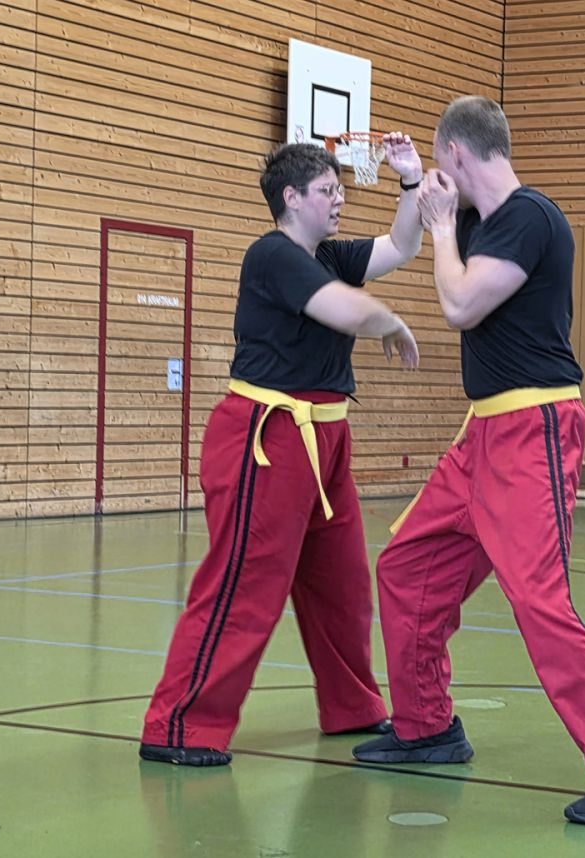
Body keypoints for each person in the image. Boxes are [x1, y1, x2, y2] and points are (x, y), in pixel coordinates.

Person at [352, 98, 585, 826]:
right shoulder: (477, 219)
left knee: (540, 602)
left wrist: (445, 227)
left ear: (459, 154)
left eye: (440, 161)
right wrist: (408, 179)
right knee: (407, 568)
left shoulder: (531, 217)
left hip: (533, 428)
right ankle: (426, 727)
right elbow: (415, 237)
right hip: (482, 432)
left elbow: (460, 305)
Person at [140, 134, 424, 766]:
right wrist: (391, 320)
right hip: (267, 436)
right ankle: (178, 726)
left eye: (340, 190)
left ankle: (353, 707)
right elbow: (344, 311)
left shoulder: (331, 255)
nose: (339, 200)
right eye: (327, 191)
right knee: (245, 585)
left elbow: (402, 245)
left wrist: (409, 180)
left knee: (341, 584)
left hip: (327, 436)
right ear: (291, 198)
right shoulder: (272, 254)